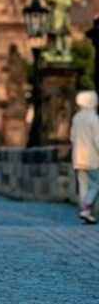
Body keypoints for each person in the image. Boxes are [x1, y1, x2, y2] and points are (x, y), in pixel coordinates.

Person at [70, 91, 99, 224]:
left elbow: (72, 137)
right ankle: (87, 209)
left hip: (78, 158)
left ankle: (83, 210)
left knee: (83, 186)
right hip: (92, 158)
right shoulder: (93, 118)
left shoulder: (76, 117)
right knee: (96, 184)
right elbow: (97, 140)